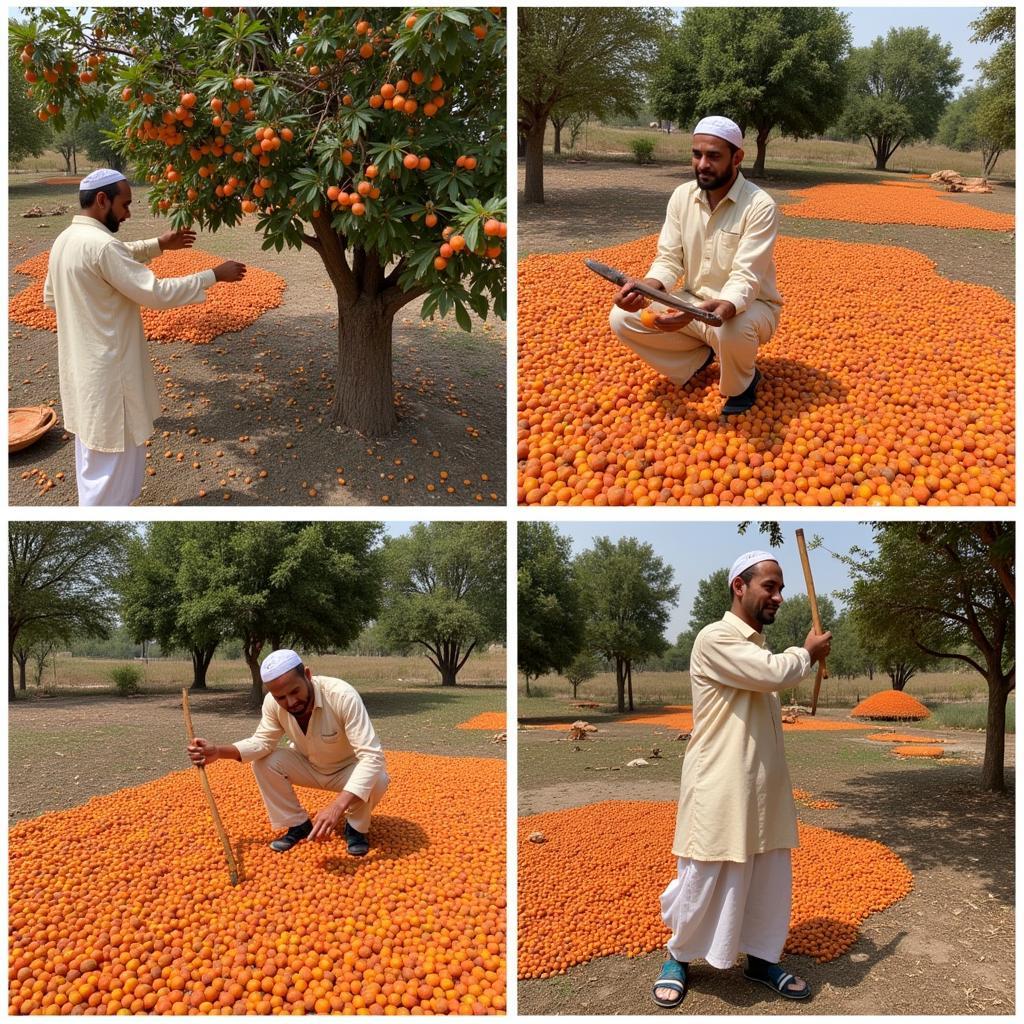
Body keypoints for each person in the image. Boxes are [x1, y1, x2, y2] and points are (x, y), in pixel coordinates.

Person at [652, 551, 831, 1008]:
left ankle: (761, 957)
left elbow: (768, 675)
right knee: (705, 875)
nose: (779, 596)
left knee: (767, 878)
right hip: (721, 784)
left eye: (780, 587)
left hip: (763, 786)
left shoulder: (757, 646)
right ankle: (679, 955)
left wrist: (799, 657)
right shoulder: (715, 639)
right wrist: (806, 653)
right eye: (769, 586)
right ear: (739, 586)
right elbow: (772, 676)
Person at [42, 168, 247, 506]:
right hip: (109, 376)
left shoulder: (64, 241)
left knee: (95, 461)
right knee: (110, 469)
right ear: (103, 199)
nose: (128, 213)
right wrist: (214, 275)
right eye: (125, 204)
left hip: (84, 373)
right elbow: (155, 292)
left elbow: (72, 284)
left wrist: (158, 245)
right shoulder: (102, 247)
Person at [609, 116, 782, 416]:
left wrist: (714, 309)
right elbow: (669, 259)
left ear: (737, 158)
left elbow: (746, 277)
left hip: (749, 307)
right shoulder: (681, 197)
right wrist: (647, 289)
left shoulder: (760, 206)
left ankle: (743, 384)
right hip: (691, 301)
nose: (702, 164)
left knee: (733, 327)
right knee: (622, 317)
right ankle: (697, 360)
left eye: (714, 156)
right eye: (697, 154)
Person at [186, 649, 390, 855]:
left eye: (295, 691)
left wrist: (337, 807)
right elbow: (262, 742)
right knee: (265, 762)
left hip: (347, 771)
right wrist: (218, 752)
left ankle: (355, 827)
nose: (290, 702)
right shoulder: (273, 704)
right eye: (280, 697)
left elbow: (371, 756)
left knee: (378, 777)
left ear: (308, 675)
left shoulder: (341, 696)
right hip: (308, 766)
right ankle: (298, 824)